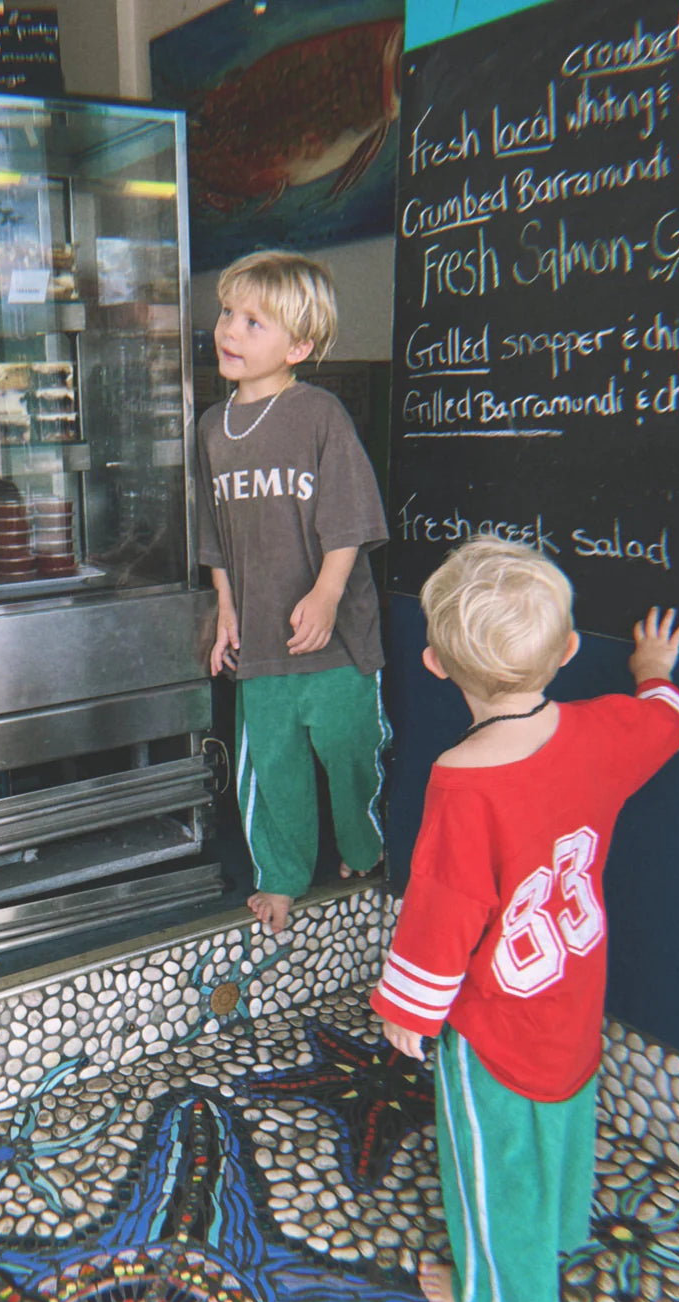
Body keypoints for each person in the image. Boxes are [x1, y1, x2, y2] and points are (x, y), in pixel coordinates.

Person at [369, 536, 679, 1302]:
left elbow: (443, 909)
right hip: (573, 997)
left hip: (493, 1025)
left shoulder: (462, 778)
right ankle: (558, 1232)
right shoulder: (604, 730)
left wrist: (410, 1009)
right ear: (571, 649)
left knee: (493, 1163)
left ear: (436, 663)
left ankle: (500, 1299)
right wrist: (652, 670)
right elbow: (669, 722)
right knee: (563, 1116)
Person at [196, 250, 390, 936]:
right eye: (228, 313)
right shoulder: (212, 431)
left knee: (349, 746)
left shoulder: (319, 414)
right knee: (272, 765)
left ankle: (365, 844)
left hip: (334, 637)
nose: (230, 330)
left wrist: (330, 592)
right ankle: (280, 876)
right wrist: (225, 607)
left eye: (254, 322)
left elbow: (350, 515)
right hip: (262, 641)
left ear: (299, 346)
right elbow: (215, 536)